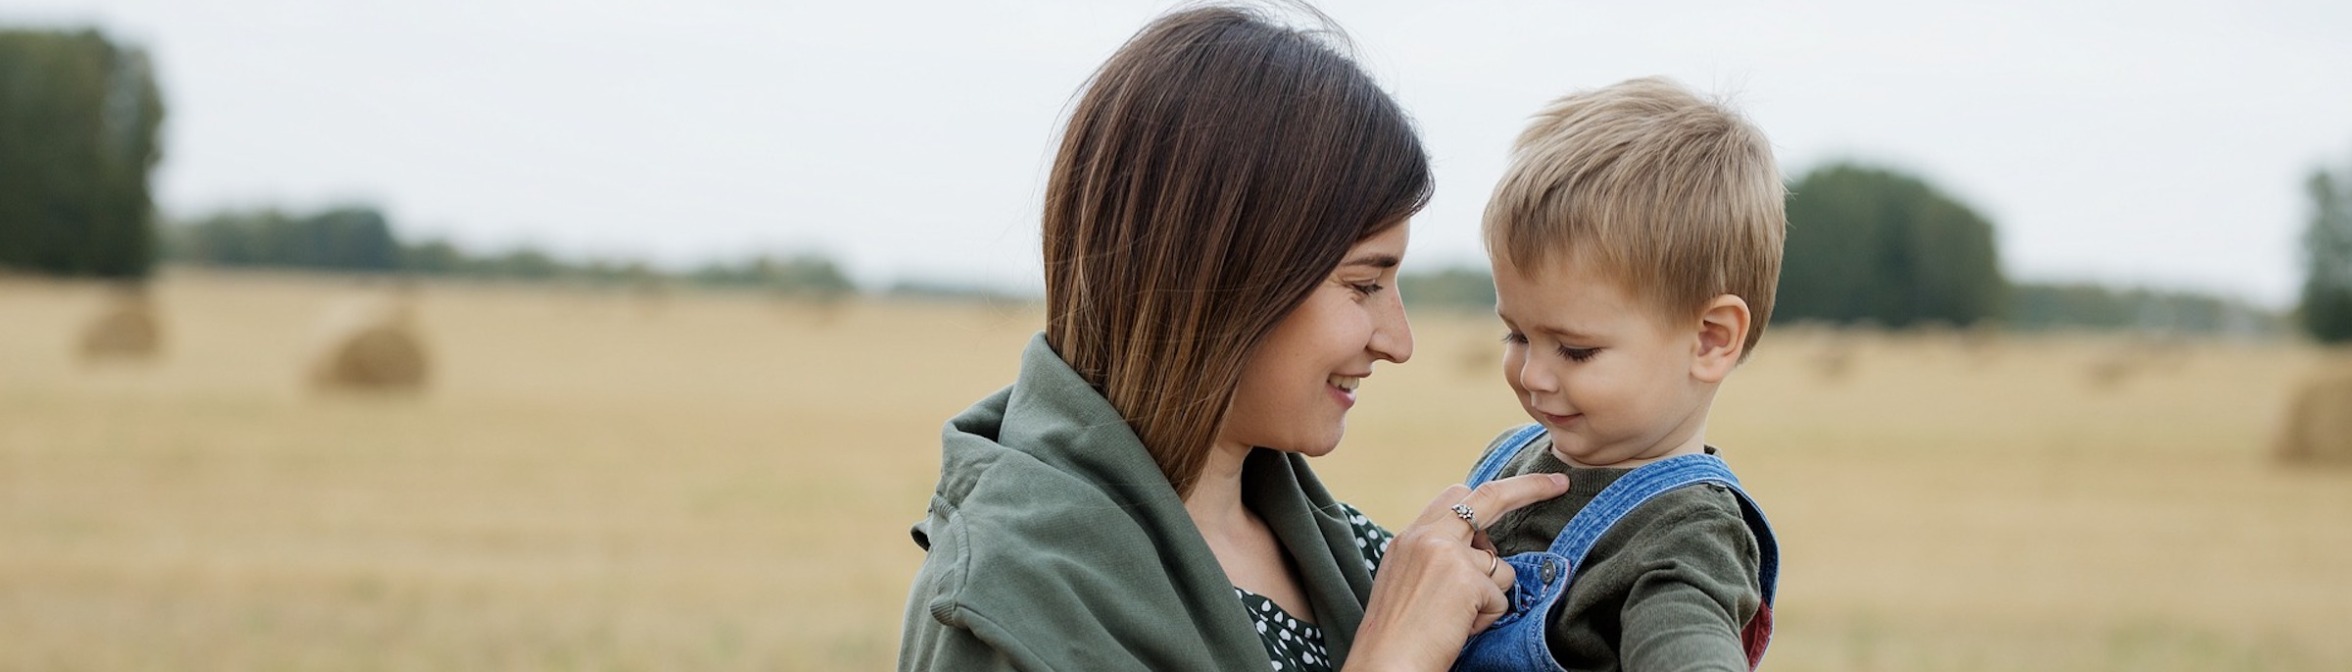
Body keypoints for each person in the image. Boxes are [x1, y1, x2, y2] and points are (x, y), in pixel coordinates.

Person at [896, 5, 1570, 671]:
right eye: (1363, 285)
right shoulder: (1009, 611)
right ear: (1227, 274)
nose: (1398, 341)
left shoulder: (1343, 550)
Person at [1451, 77, 1786, 671]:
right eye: (1518, 335)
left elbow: (1687, 645)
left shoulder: (1689, 536)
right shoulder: (1511, 457)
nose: (1532, 375)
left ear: (1710, 340)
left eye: (1575, 351)